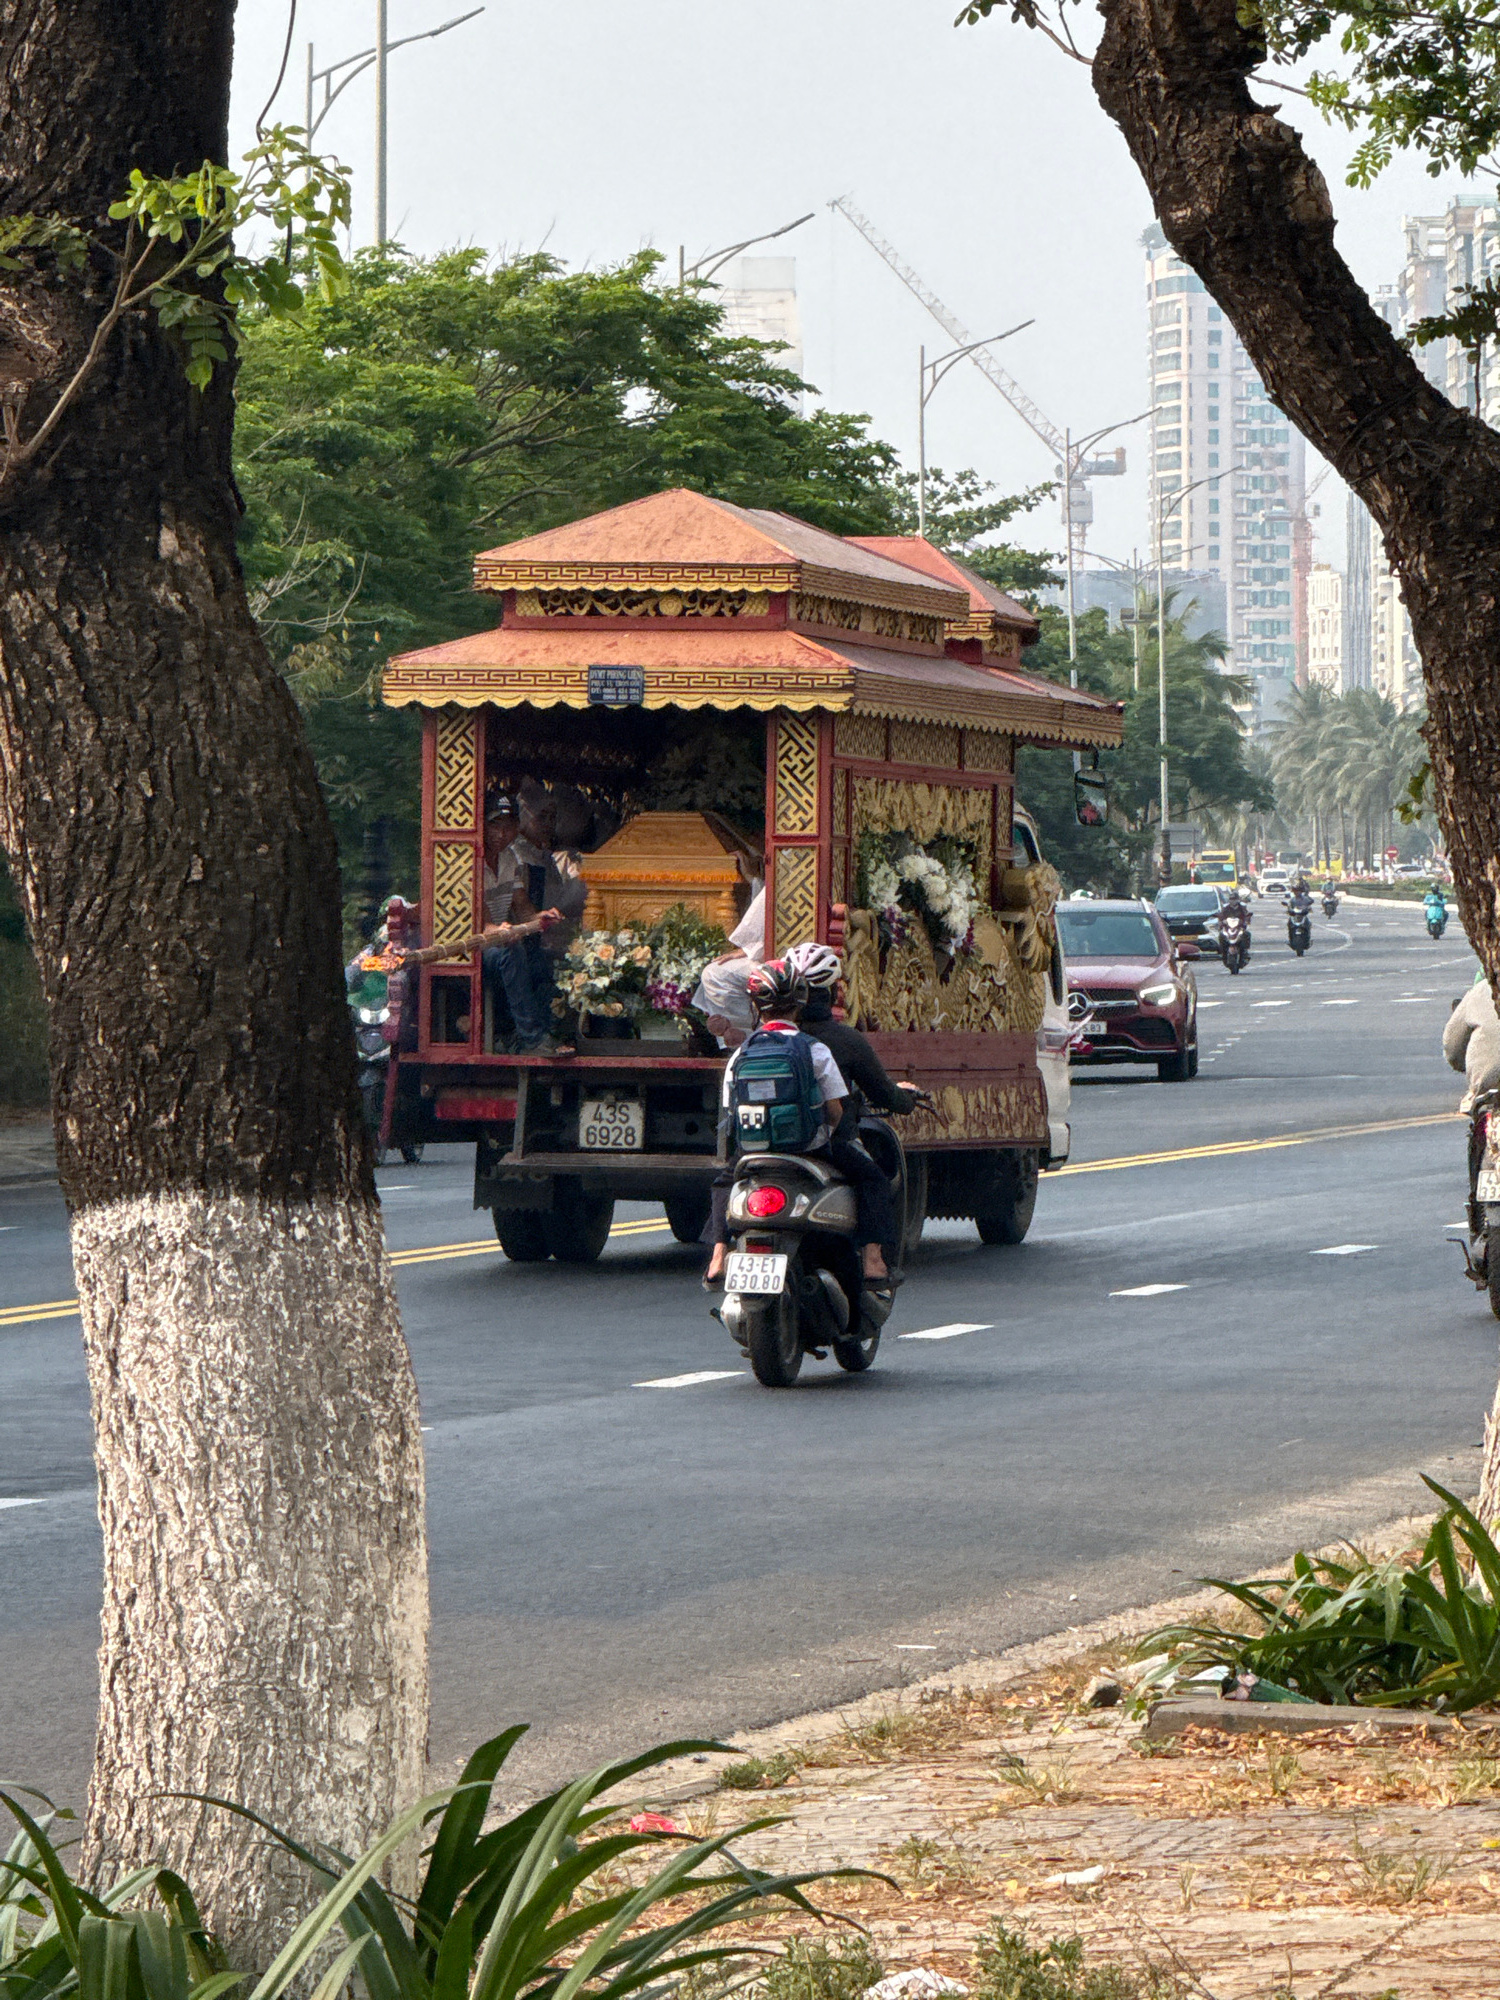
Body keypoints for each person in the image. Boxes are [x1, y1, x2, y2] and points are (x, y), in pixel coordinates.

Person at [702, 960, 900, 1297]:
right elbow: (835, 1110)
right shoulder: (815, 1049)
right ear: (800, 1004)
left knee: (723, 1182)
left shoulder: (740, 1054)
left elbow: (730, 1113)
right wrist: (826, 1136)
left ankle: (718, 1256)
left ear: (755, 1006)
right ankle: (873, 1261)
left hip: (754, 1153)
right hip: (811, 1148)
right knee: (873, 1180)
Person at [480, 793, 563, 1053]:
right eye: (494, 826)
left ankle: (548, 1031)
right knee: (511, 953)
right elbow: (481, 925)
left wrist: (540, 918)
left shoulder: (510, 860)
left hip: (499, 941)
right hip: (472, 948)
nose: (501, 834)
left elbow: (523, 908)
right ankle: (532, 1039)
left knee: (542, 959)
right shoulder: (470, 861)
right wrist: (498, 930)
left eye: (507, 827)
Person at [691, 855, 767, 1044]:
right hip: (767, 952)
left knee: (716, 975)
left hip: (785, 956)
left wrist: (751, 948)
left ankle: (746, 1040)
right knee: (716, 970)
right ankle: (739, 1039)